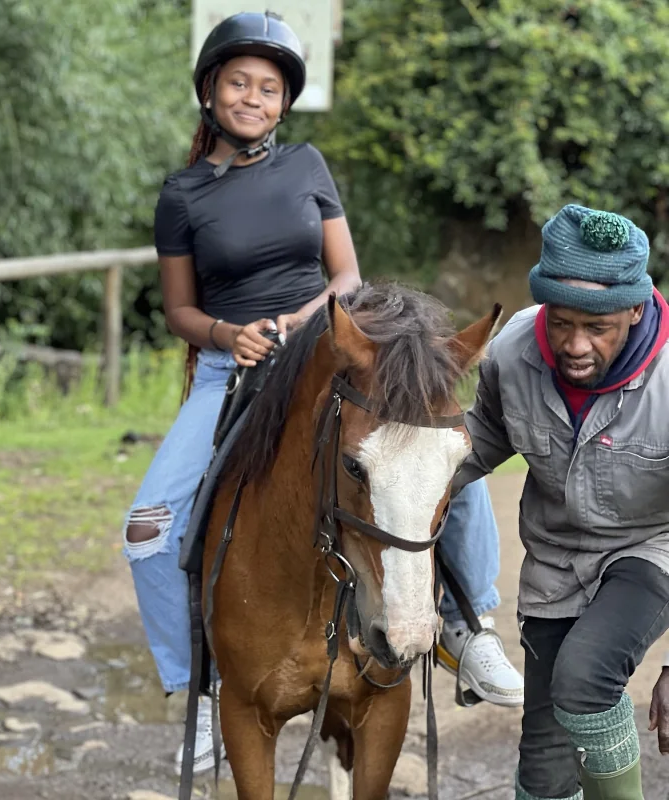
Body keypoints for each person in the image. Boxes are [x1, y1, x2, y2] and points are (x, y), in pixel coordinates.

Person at [122, 10, 521, 776]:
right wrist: (225, 335)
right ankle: (202, 688)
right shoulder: (181, 195)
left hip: (326, 348)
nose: (253, 97)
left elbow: (347, 276)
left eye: (268, 88)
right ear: (210, 93)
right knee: (147, 531)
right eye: (238, 82)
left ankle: (470, 630)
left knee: (436, 455)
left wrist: (304, 322)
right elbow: (177, 309)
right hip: (231, 368)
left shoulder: (307, 166)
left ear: (284, 103)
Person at [452, 203, 669, 799]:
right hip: (554, 560)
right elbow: (484, 442)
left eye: (596, 328)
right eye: (562, 323)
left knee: (586, 675)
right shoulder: (511, 351)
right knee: (545, 774)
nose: (575, 345)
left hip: (651, 547)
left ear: (636, 309)